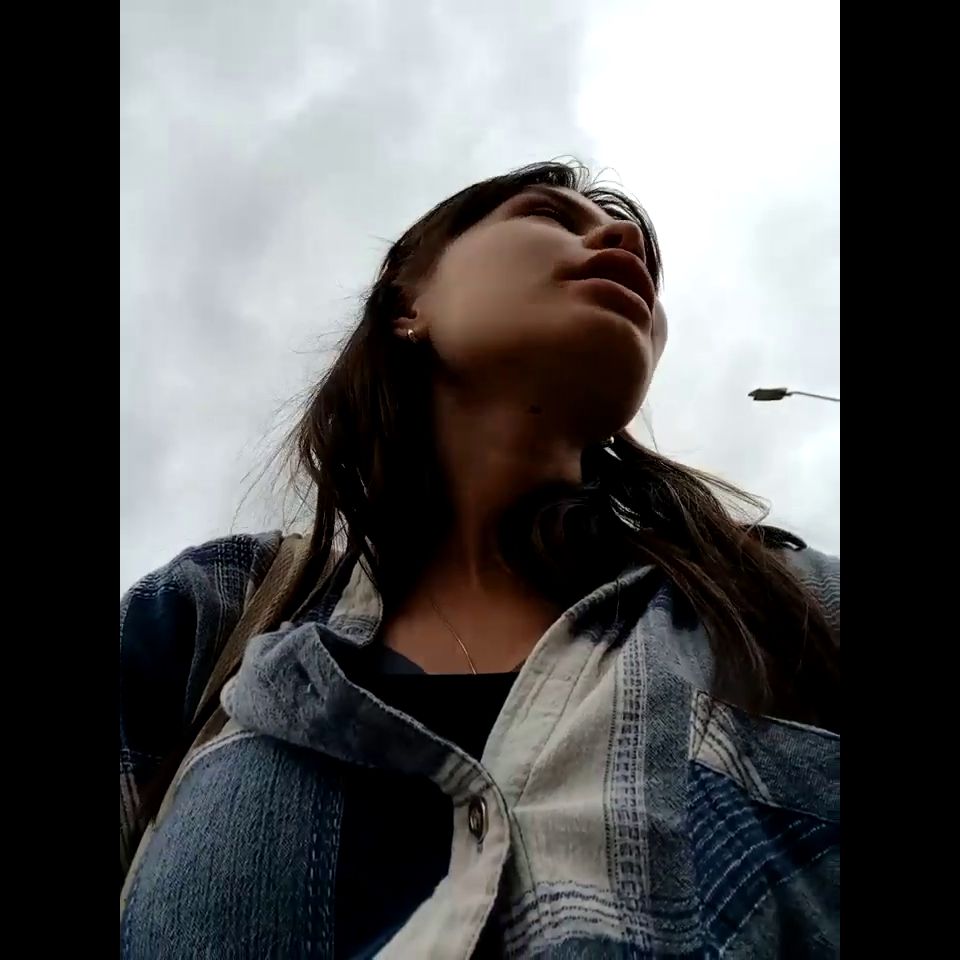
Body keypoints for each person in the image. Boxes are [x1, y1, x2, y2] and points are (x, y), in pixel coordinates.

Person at [120, 160, 839, 959]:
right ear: (407, 305)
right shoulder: (213, 611)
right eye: (549, 217)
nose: (622, 240)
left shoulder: (790, 601)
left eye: (627, 240)